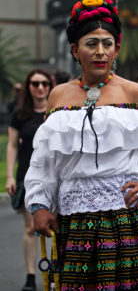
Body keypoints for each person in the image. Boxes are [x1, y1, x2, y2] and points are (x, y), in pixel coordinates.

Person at [25, 0, 138, 290]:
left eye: (108, 43)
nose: (100, 51)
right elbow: (46, 162)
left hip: (127, 222)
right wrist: (39, 205)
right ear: (76, 50)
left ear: (117, 49)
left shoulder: (135, 94)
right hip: (74, 225)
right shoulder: (58, 97)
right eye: (91, 43)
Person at [6, 69, 53, 291]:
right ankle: (31, 276)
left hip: (56, 177)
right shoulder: (19, 114)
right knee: (30, 228)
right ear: (29, 87)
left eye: (44, 83)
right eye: (35, 83)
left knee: (59, 227)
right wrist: (9, 176)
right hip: (28, 176)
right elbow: (12, 145)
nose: (40, 87)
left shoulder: (57, 111)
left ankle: (58, 272)